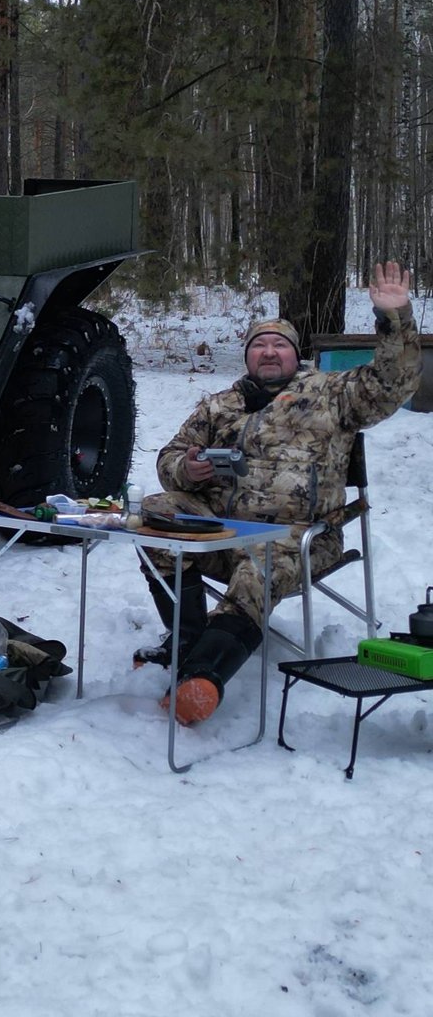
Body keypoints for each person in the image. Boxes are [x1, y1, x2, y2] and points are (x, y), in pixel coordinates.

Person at [138, 263, 422, 726]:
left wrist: (395, 318)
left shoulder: (333, 394)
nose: (269, 352)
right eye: (259, 345)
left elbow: (394, 384)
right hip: (223, 531)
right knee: (154, 516)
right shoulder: (219, 405)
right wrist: (187, 469)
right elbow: (168, 461)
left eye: (280, 345)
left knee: (259, 567)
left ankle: (202, 676)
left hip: (301, 537)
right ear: (248, 356)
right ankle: (188, 640)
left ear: (295, 355)